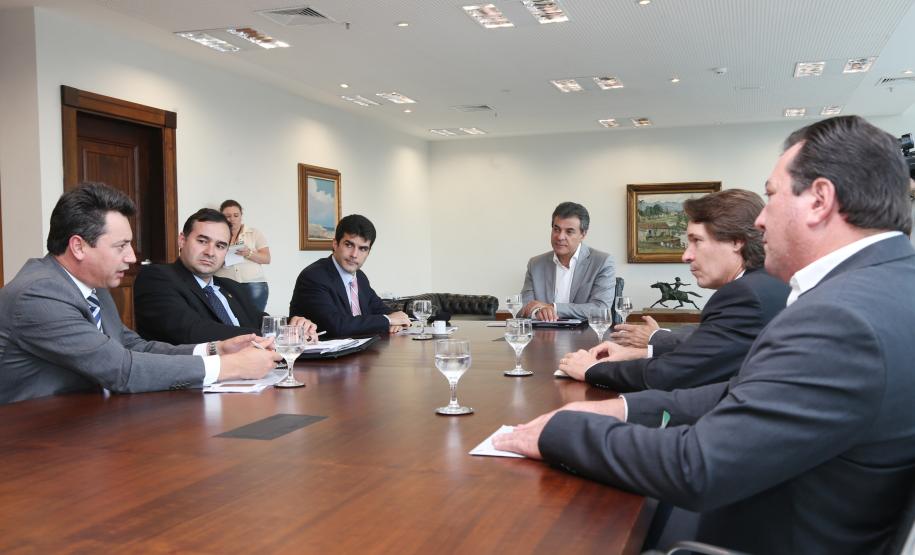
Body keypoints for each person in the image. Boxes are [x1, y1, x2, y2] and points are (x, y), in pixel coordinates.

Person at [494, 116, 915, 553]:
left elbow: (696, 466)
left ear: (820, 200)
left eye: (771, 196)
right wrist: (622, 408)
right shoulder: (885, 287)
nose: (761, 221)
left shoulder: (841, 318)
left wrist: (561, 431)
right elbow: (742, 392)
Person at [0, 183, 282, 405]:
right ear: (78, 246)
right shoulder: (38, 295)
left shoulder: (93, 286)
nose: (132, 257)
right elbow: (121, 369)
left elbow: (132, 346)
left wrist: (214, 349)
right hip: (34, 440)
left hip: (88, 423)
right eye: (121, 246)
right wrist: (227, 367)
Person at [558, 189, 789, 392]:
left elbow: (671, 374)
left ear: (736, 242)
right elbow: (708, 348)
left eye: (696, 241)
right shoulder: (765, 282)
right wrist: (639, 353)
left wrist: (592, 369)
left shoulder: (744, 295)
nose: (686, 255)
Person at [134, 208, 316, 345]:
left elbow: (260, 320)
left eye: (220, 246)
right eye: (202, 241)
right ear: (182, 240)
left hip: (255, 374)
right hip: (196, 380)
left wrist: (294, 327)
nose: (210, 252)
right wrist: (277, 336)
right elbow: (191, 331)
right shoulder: (157, 278)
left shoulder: (231, 287)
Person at [289, 214, 410, 338]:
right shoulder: (314, 276)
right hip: (323, 349)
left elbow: (381, 309)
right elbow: (336, 325)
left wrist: (396, 321)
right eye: (349, 245)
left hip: (362, 348)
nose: (354, 254)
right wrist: (388, 320)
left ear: (368, 252)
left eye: (363, 249)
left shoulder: (360, 277)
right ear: (335, 244)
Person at [520, 202, 616, 321]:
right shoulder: (535, 264)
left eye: (569, 231)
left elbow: (600, 308)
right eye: (556, 229)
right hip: (543, 331)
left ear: (583, 234)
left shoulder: (602, 262)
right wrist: (537, 311)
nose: (560, 237)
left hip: (585, 332)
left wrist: (554, 308)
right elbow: (525, 305)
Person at [214, 199, 270, 312]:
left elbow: (267, 258)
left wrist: (248, 253)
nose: (232, 219)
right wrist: (221, 260)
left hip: (254, 285)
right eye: (228, 216)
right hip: (224, 285)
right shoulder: (215, 235)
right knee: (229, 319)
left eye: (236, 215)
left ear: (241, 215)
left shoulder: (254, 233)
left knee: (254, 318)